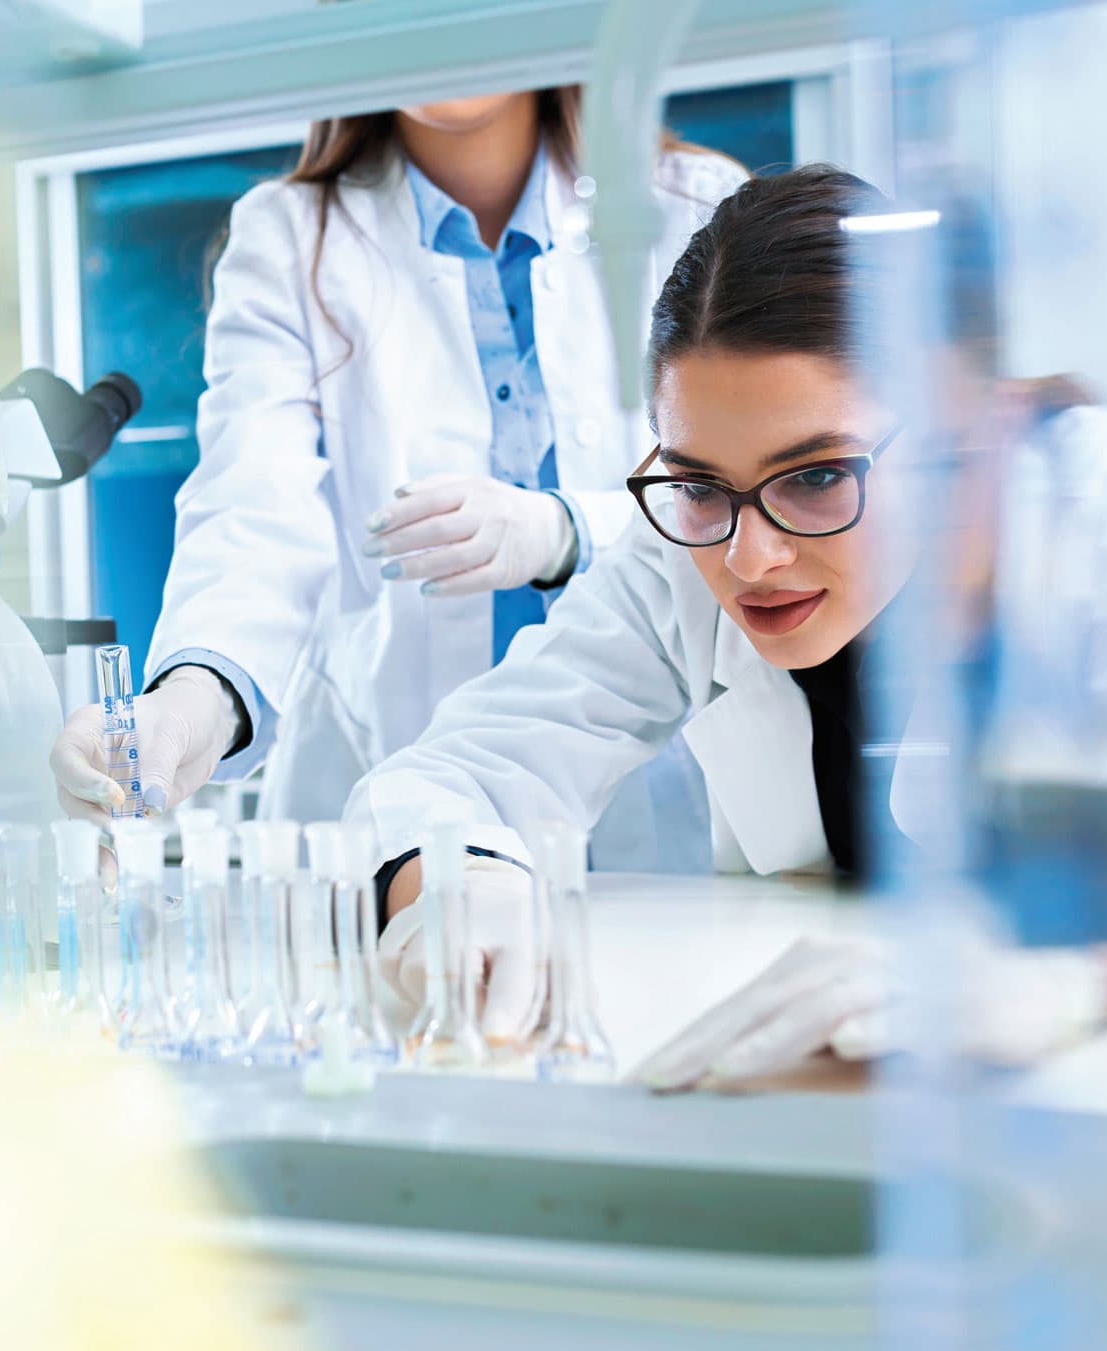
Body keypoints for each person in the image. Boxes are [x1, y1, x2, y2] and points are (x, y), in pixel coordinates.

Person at [348, 164, 1107, 1085]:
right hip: (839, 1067)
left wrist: (1067, 977)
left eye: (817, 474)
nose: (748, 556)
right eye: (699, 483)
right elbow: (456, 772)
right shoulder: (686, 550)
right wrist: (457, 884)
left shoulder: (1100, 522)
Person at [49, 89, 742, 869]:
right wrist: (186, 704)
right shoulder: (290, 235)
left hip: (663, 798)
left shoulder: (693, 204)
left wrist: (570, 529)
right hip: (388, 791)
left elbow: (750, 492)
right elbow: (256, 510)